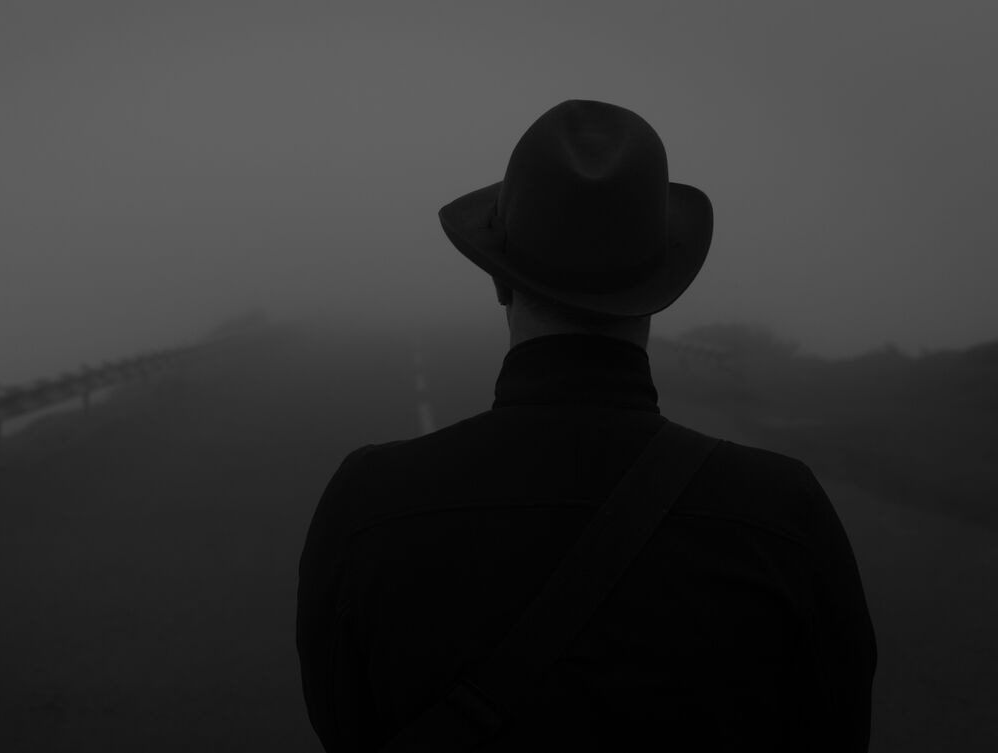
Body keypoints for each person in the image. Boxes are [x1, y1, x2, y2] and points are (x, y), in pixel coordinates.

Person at [296, 100, 876, 751]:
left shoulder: (368, 504)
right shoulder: (785, 518)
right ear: (660, 288)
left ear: (500, 282)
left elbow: (345, 725)